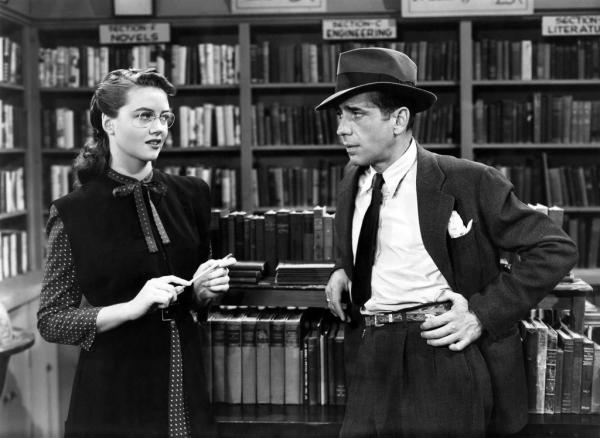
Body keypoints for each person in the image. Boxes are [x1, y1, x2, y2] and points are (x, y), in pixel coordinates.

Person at [317, 47, 578, 438]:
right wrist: (345, 267)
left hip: (441, 352)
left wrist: (481, 314)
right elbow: (370, 238)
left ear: (399, 119)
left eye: (356, 113)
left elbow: (555, 249)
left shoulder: (468, 180)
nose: (342, 128)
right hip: (371, 354)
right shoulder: (352, 180)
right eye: (340, 115)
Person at [37, 68, 231, 438]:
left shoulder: (193, 194)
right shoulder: (73, 211)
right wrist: (131, 307)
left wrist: (202, 293)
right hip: (115, 389)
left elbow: (192, 297)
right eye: (144, 116)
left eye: (165, 118)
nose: (159, 128)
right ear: (108, 123)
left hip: (187, 378)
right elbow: (52, 320)